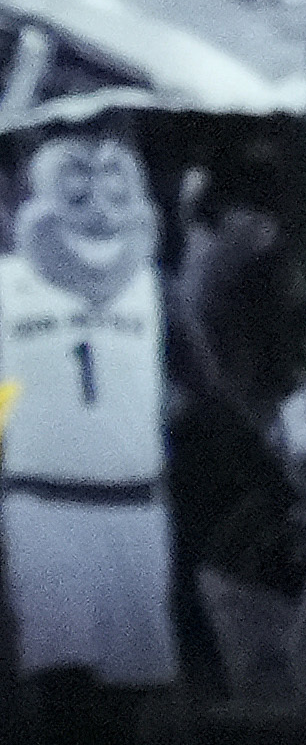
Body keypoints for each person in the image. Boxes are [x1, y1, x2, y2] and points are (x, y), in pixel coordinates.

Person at [3, 130, 174, 698]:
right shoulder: (10, 285)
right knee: (59, 674)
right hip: (43, 501)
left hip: (135, 500)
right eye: (76, 198)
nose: (98, 214)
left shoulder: (151, 286)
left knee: (135, 681)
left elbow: (192, 380)